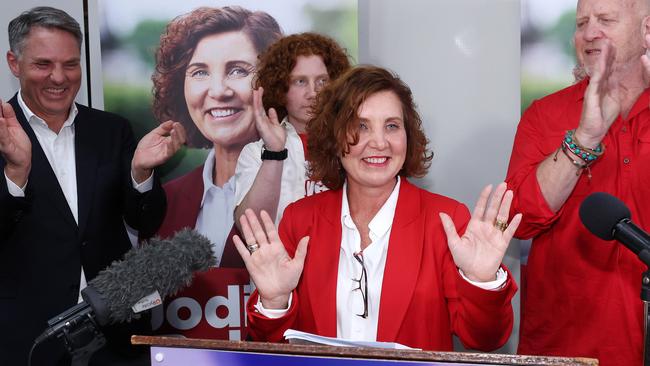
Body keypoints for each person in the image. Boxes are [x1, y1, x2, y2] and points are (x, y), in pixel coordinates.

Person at [234, 66, 521, 351]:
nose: (379, 142)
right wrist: (274, 302)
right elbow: (268, 347)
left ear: (408, 138)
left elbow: (485, 339)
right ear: (335, 137)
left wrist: (482, 282)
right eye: (361, 126)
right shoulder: (300, 219)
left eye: (392, 126)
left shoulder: (445, 220)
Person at [0, 6, 185, 366]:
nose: (59, 77)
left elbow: (145, 222)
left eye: (70, 64)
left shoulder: (111, 131)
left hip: (115, 334)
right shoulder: (3, 134)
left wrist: (141, 174)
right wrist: (16, 174)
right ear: (14, 62)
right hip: (28, 340)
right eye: (43, 64)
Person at [505, 0, 650, 364]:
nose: (589, 32)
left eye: (605, 20)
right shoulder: (544, 114)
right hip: (565, 348)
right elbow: (517, 218)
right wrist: (581, 142)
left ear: (647, 30)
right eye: (581, 22)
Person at [150, 6, 282, 340]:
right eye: (199, 72)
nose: (218, 90)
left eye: (238, 70)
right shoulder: (163, 200)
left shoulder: (306, 193)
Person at [234, 32, 351, 225]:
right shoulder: (256, 153)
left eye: (322, 81)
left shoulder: (354, 144)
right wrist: (274, 153)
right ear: (280, 88)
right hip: (282, 254)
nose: (313, 93)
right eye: (300, 81)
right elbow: (251, 227)